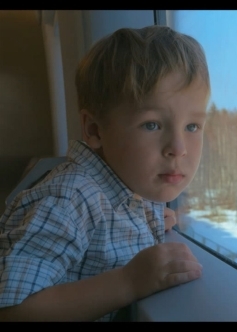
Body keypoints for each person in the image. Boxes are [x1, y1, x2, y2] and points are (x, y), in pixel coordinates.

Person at [0, 25, 209, 321]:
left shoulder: (133, 189)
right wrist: (128, 282)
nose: (178, 148)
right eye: (152, 124)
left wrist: (146, 221)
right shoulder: (67, 198)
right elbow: (12, 311)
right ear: (95, 130)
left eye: (192, 126)